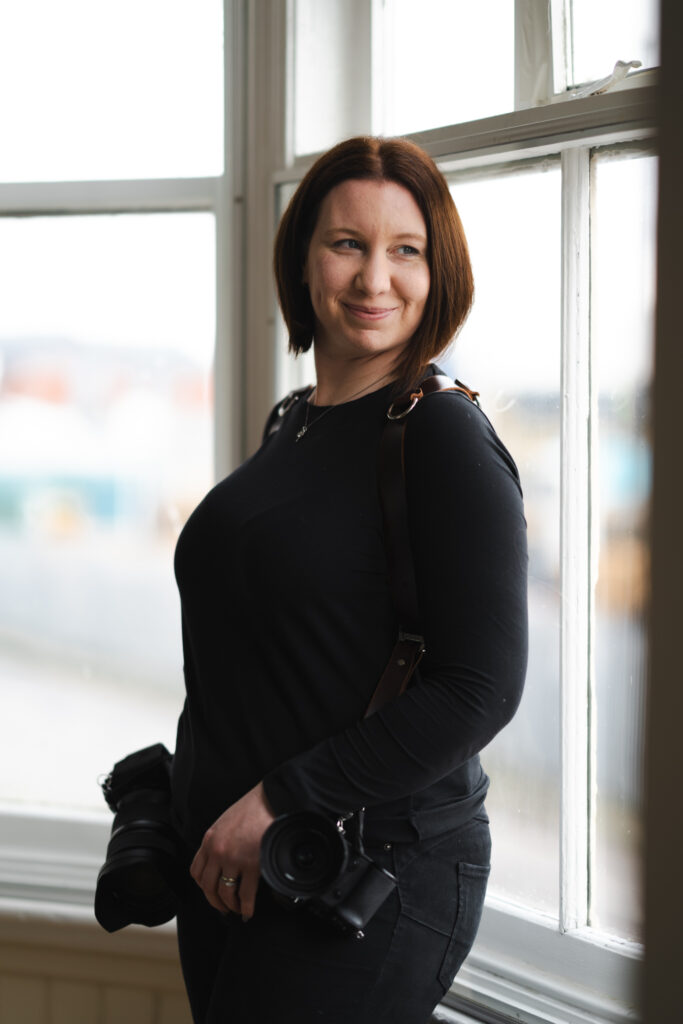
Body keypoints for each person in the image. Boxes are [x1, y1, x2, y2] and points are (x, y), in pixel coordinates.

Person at [171, 135, 528, 1024]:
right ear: (302, 259)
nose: (375, 278)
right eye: (346, 244)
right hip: (240, 861)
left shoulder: (442, 437)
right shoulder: (294, 421)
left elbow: (479, 687)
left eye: (404, 250)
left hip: (363, 870)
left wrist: (283, 797)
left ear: (436, 270)